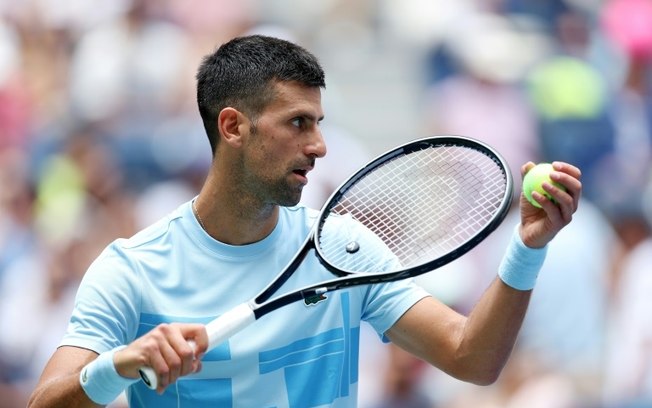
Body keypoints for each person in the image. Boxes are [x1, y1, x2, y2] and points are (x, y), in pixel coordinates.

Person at [27, 34, 582, 407]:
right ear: (233, 127)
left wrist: (528, 246)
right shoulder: (132, 269)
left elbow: (472, 358)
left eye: (318, 123)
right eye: (297, 123)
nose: (318, 147)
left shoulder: (341, 249)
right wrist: (121, 366)